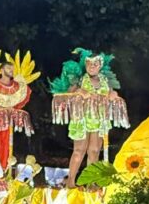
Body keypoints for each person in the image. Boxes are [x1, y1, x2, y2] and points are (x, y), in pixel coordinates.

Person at [48, 48, 126, 188]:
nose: (92, 66)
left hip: (99, 120)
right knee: (79, 151)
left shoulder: (104, 81)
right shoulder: (80, 80)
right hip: (83, 119)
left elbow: (111, 93)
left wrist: (113, 94)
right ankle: (71, 182)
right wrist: (78, 92)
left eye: (95, 64)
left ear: (100, 66)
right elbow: (67, 95)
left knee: (94, 151)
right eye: (89, 64)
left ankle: (91, 183)